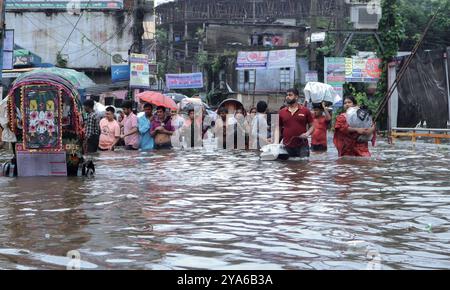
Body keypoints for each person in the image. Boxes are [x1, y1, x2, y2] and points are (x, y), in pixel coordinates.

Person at [279, 88, 315, 158]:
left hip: (303, 146)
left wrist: (307, 133)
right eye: (287, 95)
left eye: (290, 95)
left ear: (296, 97)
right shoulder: (281, 112)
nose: (287, 97)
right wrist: (275, 143)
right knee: (286, 167)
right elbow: (277, 128)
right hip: (286, 146)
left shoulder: (305, 111)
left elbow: (313, 126)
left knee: (303, 166)